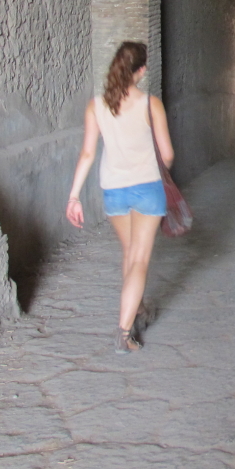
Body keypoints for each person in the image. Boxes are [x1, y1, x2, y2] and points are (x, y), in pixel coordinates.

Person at [66, 41, 173, 353]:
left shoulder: (96, 105)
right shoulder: (150, 104)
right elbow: (167, 154)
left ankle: (137, 309)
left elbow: (87, 153)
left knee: (129, 254)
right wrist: (161, 171)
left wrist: (74, 197)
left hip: (113, 190)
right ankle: (123, 334)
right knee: (139, 259)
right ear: (141, 70)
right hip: (147, 188)